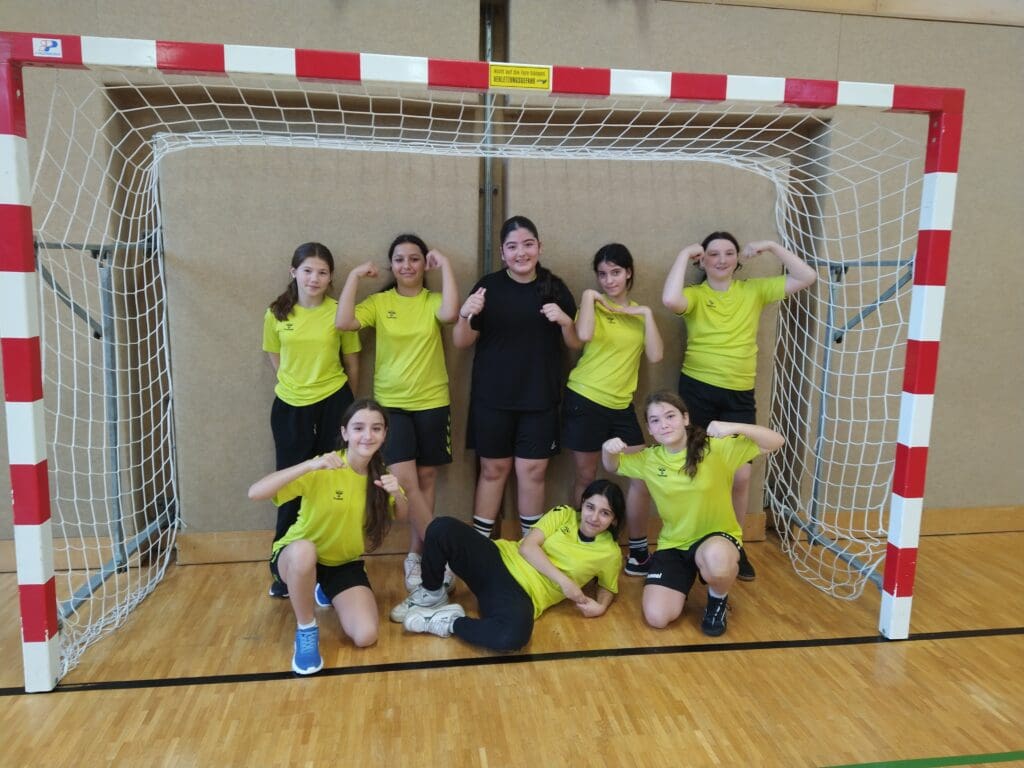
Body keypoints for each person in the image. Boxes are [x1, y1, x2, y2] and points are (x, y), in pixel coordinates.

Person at [661, 232, 816, 580]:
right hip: (697, 390)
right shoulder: (695, 295)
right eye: (713, 253)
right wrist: (685, 253)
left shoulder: (753, 290)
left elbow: (806, 276)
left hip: (739, 395)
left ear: (737, 259)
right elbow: (670, 299)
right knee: (697, 469)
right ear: (703, 260)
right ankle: (694, 543)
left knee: (741, 475)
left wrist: (772, 247)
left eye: (729, 253)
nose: (721, 259)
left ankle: (735, 543)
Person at [335, 234, 459, 601]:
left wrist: (446, 265)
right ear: (392, 265)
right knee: (405, 482)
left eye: (415, 259)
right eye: (400, 259)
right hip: (392, 406)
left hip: (433, 402)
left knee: (427, 478)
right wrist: (354, 277)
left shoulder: (432, 301)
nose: (407, 265)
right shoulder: (380, 302)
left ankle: (417, 557)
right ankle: (441, 553)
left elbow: (451, 314)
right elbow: (344, 321)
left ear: (424, 264)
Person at [602, 391, 783, 637]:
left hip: (715, 539)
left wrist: (733, 427)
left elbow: (776, 441)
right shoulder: (649, 459)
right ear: (650, 430)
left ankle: (717, 600)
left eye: (670, 416)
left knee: (717, 561)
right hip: (674, 544)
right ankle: (683, 579)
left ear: (685, 418)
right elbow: (612, 465)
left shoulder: (716, 448)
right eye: (655, 420)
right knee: (657, 617)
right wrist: (608, 450)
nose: (664, 424)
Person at [247, 398, 408, 675]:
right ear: (345, 432)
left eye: (376, 428)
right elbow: (255, 493)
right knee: (304, 552)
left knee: (366, 636)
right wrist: (309, 466)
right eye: (358, 428)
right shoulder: (325, 467)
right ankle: (306, 629)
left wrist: (396, 493)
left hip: (343, 562)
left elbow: (402, 515)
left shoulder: (381, 475)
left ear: (384, 434)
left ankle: (324, 587)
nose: (367, 435)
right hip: (295, 557)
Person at [453, 215, 581, 541]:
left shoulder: (554, 287)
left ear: (539, 247)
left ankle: (528, 548)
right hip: (492, 399)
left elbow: (575, 343)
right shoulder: (488, 287)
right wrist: (466, 313)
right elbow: (461, 341)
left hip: (540, 398)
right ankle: (480, 548)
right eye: (512, 247)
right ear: (502, 252)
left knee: (533, 471)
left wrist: (566, 322)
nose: (521, 253)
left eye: (528, 244)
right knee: (493, 470)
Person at [397, 479, 625, 651]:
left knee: (512, 637)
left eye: (605, 513)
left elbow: (608, 586)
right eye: (590, 507)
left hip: (521, 595)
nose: (594, 517)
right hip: (498, 559)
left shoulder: (610, 552)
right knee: (441, 527)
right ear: (582, 504)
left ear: (614, 520)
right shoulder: (564, 514)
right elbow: (528, 548)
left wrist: (601, 607)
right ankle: (432, 592)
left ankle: (449, 622)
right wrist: (564, 582)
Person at [263, 242, 361, 599]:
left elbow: (352, 363)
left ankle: (328, 571)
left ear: (331, 277)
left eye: (322, 272)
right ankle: (285, 569)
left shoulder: (340, 313)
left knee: (332, 483)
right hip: (291, 408)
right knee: (293, 485)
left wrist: (345, 408)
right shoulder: (276, 313)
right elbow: (275, 357)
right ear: (294, 273)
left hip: (334, 403)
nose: (314, 278)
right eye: (307, 271)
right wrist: (297, 387)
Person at [564, 243, 664, 577]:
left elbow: (656, 356)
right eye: (603, 274)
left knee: (641, 476)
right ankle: (581, 546)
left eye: (616, 272)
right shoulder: (591, 305)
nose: (609, 280)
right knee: (585, 476)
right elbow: (583, 334)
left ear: (628, 273)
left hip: (621, 407)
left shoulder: (639, 314)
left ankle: (638, 552)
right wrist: (589, 297)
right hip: (585, 398)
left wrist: (646, 314)